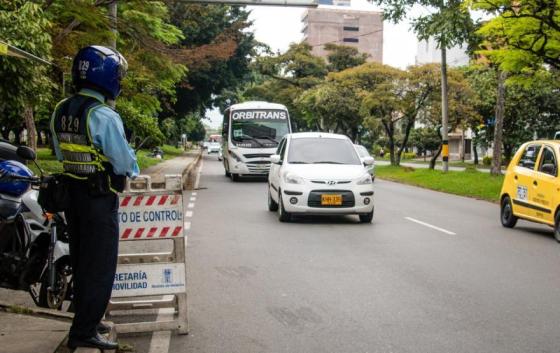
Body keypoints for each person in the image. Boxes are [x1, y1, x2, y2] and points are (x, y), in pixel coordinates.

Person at [50, 46, 139, 350]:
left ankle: (86, 319)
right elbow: (125, 164)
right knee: (100, 266)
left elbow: (62, 153)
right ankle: (84, 331)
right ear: (107, 77)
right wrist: (132, 164)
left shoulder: (61, 110)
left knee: (82, 260)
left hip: (72, 197)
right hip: (99, 200)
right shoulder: (104, 116)